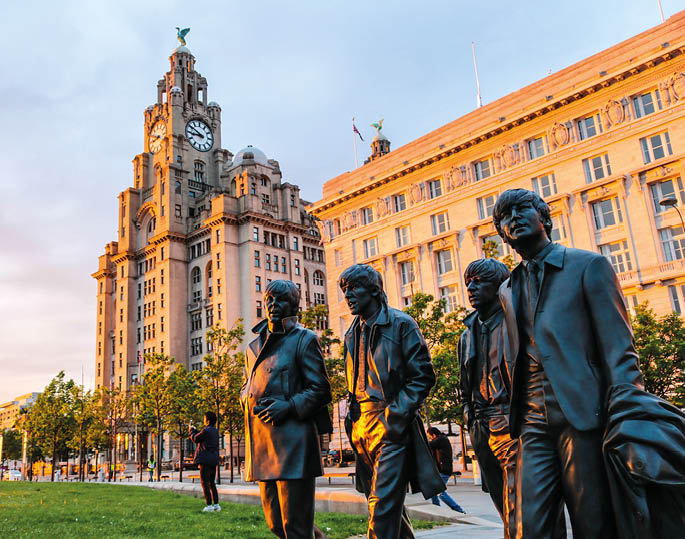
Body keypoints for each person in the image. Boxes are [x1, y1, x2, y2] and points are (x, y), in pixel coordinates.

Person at [492, 188, 643, 538]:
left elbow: (619, 349)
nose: (512, 218)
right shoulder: (506, 288)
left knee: (593, 520)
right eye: (504, 216)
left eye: (521, 209)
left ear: (544, 217)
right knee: (531, 524)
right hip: (530, 420)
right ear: (502, 234)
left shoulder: (588, 265)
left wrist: (626, 410)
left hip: (583, 414)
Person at [339, 264, 444, 539]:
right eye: (344, 290)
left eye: (353, 289)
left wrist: (394, 417)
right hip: (361, 427)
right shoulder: (351, 333)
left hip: (389, 424)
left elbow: (422, 376)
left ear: (374, 289)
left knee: (382, 507)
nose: (348, 296)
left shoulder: (401, 324)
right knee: (388, 508)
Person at [242, 279, 332, 538]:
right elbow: (249, 383)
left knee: (296, 527)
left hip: (294, 445)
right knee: (276, 525)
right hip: (263, 445)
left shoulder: (304, 339)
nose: (273, 305)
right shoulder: (253, 347)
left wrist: (289, 406)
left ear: (293, 305)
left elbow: (321, 389)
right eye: (269, 299)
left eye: (280, 300)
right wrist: (245, 396)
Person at [459, 258, 518, 537]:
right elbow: (464, 384)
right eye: (468, 282)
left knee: (519, 505)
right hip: (481, 425)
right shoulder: (467, 332)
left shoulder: (515, 321)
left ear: (498, 286)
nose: (471, 288)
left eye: (479, 282)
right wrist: (468, 414)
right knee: (502, 504)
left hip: (511, 421)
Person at [426, 427, 466, 513]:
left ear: (433, 435)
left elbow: (428, 445)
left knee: (440, 492)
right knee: (433, 489)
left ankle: (458, 509)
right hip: (441, 470)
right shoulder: (441, 439)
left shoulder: (440, 439)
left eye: (430, 437)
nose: (430, 439)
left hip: (444, 470)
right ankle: (436, 508)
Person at [190, 411, 221, 512]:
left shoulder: (206, 431)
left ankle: (209, 505)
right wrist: (196, 430)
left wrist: (191, 431)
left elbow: (195, 439)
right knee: (212, 483)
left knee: (204, 483)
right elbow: (203, 435)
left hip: (205, 461)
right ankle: (216, 505)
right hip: (213, 460)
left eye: (204, 419)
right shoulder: (215, 431)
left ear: (207, 421)